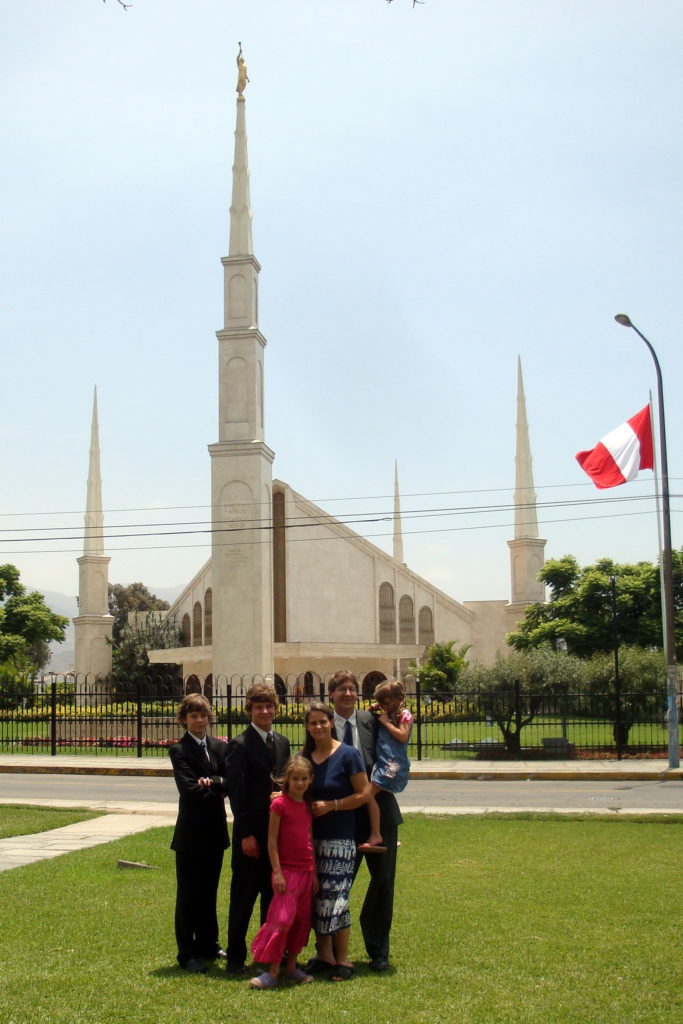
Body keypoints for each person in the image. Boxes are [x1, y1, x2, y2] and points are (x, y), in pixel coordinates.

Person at [327, 669, 403, 973]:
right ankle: (331, 952)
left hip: (380, 810)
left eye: (352, 688)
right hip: (340, 816)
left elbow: (393, 759)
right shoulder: (322, 724)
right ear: (331, 694)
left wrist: (369, 792)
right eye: (341, 689)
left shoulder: (372, 721)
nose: (347, 693)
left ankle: (377, 949)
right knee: (337, 883)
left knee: (383, 881)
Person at [225, 682, 290, 973]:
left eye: (269, 706)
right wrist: (247, 835)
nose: (265, 711)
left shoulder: (283, 742)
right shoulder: (239, 745)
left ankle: (267, 955)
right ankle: (236, 958)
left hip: (277, 837)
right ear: (249, 710)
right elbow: (236, 794)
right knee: (243, 899)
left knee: (271, 899)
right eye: (258, 707)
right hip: (251, 836)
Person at [302, 702, 370, 981]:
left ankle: (343, 959)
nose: (318, 727)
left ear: (331, 723)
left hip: (340, 837)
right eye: (312, 723)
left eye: (322, 721)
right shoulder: (305, 757)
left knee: (337, 898)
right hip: (309, 839)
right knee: (317, 898)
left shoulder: (348, 755)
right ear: (306, 727)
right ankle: (325, 955)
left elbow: (364, 793)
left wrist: (333, 805)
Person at [169, 693, 234, 974]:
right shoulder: (179, 750)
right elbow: (189, 790)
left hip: (215, 831)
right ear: (184, 719)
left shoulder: (220, 748)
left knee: (209, 892)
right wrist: (215, 788)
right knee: (189, 895)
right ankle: (187, 952)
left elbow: (232, 783)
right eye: (193, 716)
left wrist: (216, 782)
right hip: (191, 834)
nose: (199, 720)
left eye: (203, 715)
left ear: (209, 717)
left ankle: (208, 943)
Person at [249, 756, 318, 989]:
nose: (299, 783)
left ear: (310, 780)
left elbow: (309, 840)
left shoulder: (307, 806)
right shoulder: (279, 805)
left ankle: (291, 968)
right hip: (286, 872)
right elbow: (271, 841)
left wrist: (315, 873)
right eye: (295, 779)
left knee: (300, 921)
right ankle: (273, 970)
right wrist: (277, 872)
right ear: (286, 780)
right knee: (282, 920)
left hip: (306, 872)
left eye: (304, 779)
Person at [359, 679, 412, 853]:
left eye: (386, 703)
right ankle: (388, 835)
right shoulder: (389, 713)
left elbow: (403, 736)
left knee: (368, 795)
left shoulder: (404, 715)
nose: (384, 707)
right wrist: (373, 709)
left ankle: (376, 834)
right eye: (381, 703)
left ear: (397, 699)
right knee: (380, 799)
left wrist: (387, 723)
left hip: (392, 766)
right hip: (385, 763)